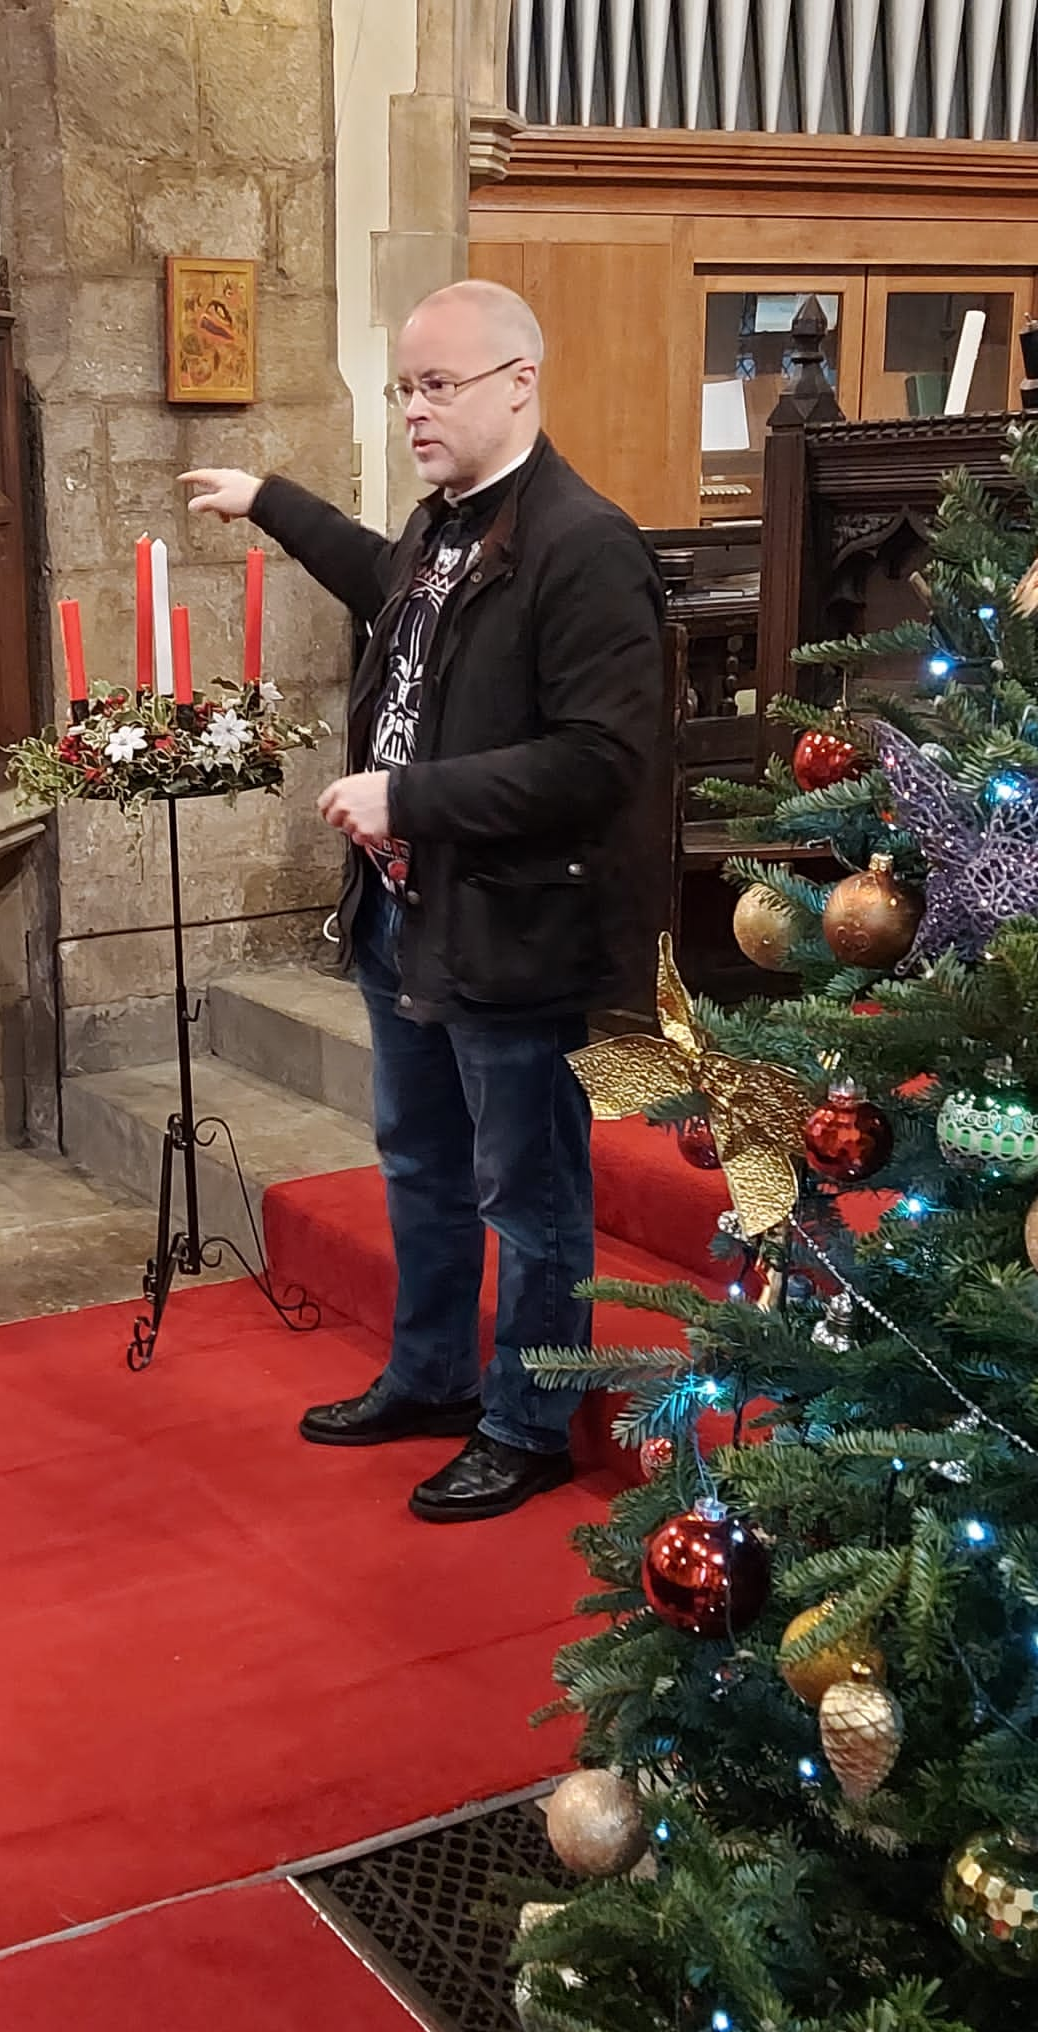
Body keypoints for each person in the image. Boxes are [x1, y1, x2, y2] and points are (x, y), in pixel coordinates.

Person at [182, 280, 663, 1524]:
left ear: (520, 381)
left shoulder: (581, 542)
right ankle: (435, 1373)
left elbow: (603, 759)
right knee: (420, 1163)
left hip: (513, 926)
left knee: (529, 1193)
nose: (413, 410)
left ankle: (528, 1419)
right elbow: (376, 574)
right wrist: (271, 502)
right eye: (404, 388)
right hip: (414, 915)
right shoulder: (449, 526)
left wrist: (416, 797)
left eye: (436, 385)